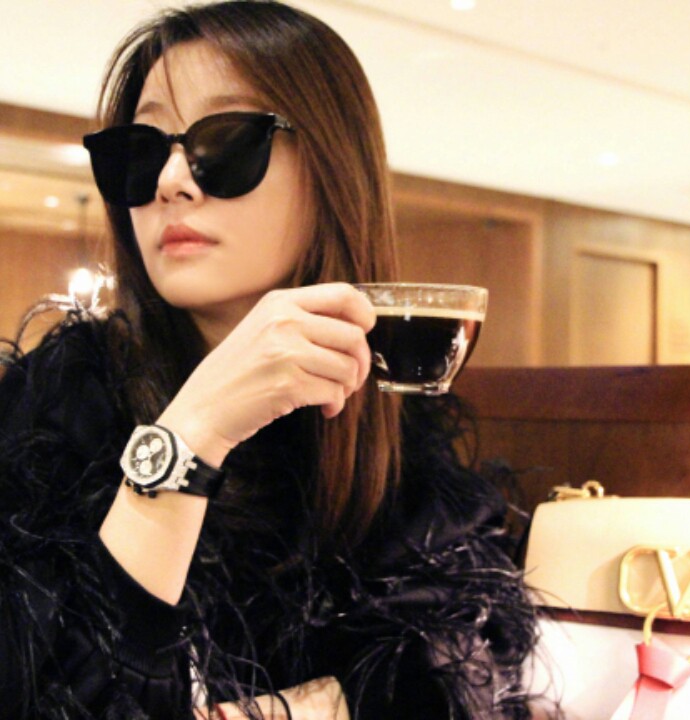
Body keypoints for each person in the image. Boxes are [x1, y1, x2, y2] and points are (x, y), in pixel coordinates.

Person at [0, 1, 537, 718]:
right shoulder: (58, 406)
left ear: (331, 169)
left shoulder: (395, 429)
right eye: (141, 150)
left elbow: (459, 680)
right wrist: (191, 434)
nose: (169, 180)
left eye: (224, 141)